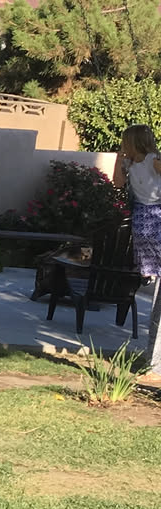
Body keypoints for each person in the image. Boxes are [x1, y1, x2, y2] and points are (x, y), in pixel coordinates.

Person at [113, 122, 161, 383]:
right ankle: (149, 270)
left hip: (157, 209)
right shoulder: (129, 164)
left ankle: (153, 269)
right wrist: (118, 161)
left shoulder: (154, 160)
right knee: (143, 238)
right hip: (142, 211)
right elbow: (118, 184)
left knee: (151, 236)